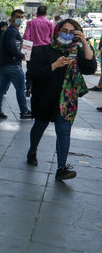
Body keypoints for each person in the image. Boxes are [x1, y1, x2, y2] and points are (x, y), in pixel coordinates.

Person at [26, 19, 97, 180]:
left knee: (64, 132)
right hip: (45, 97)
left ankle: (61, 168)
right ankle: (32, 151)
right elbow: (32, 73)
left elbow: (90, 68)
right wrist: (55, 65)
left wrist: (85, 43)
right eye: (64, 30)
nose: (67, 34)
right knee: (39, 126)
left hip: (67, 100)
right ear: (57, 31)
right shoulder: (43, 50)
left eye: (72, 32)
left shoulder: (77, 51)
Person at [0, 9, 32, 119]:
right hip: (13, 65)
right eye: (18, 17)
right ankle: (24, 111)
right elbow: (12, 48)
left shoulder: (11, 31)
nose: (20, 19)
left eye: (22, 17)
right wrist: (21, 56)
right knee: (20, 88)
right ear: (12, 18)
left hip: (6, 65)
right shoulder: (11, 31)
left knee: (1, 89)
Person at [23, 6, 55, 96]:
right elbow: (52, 38)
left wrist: (25, 51)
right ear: (45, 13)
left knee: (30, 69)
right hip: (45, 49)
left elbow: (26, 37)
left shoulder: (31, 22)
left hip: (33, 49)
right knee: (43, 69)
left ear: (36, 12)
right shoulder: (49, 23)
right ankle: (38, 88)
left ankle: (28, 87)